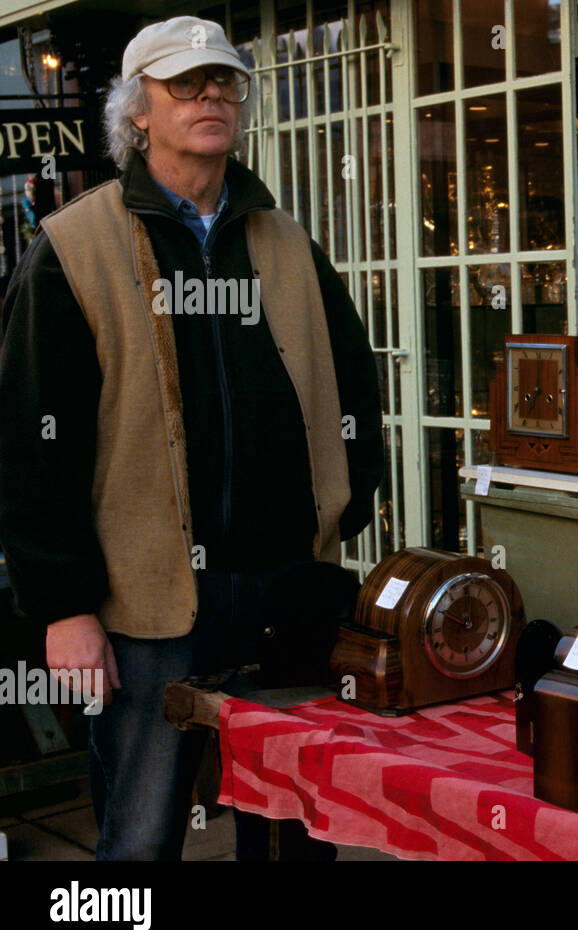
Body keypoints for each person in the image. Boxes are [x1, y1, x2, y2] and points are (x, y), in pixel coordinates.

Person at [0, 16, 383, 860]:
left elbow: (356, 387)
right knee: (139, 838)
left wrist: (341, 508)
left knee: (294, 832)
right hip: (148, 609)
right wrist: (63, 605)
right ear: (137, 112)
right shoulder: (73, 247)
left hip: (286, 593)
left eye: (225, 81)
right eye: (186, 83)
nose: (212, 94)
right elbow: (30, 447)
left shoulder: (286, 242)